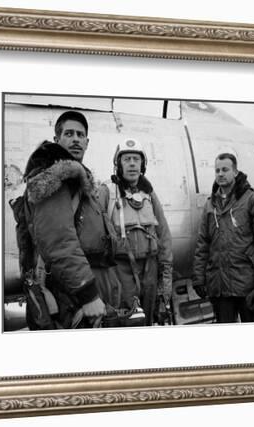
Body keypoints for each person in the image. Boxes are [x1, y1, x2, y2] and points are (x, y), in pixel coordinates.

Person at [12, 110, 120, 329]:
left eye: (80, 135)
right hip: (70, 297)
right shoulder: (55, 178)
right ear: (57, 140)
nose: (76, 139)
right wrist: (88, 295)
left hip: (83, 290)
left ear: (87, 142)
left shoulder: (79, 183)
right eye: (69, 134)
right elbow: (59, 242)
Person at [192, 153, 254, 323]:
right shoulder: (210, 205)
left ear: (235, 172)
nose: (220, 174)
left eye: (225, 169)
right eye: (217, 170)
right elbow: (203, 244)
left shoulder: (252, 199)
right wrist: (199, 278)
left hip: (248, 286)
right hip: (220, 288)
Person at [98, 138, 173, 326]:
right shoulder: (106, 191)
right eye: (126, 159)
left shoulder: (149, 194)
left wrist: (166, 278)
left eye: (136, 159)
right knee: (125, 322)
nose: (132, 163)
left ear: (142, 164)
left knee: (147, 320)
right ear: (118, 164)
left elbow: (163, 234)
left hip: (149, 269)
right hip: (120, 271)